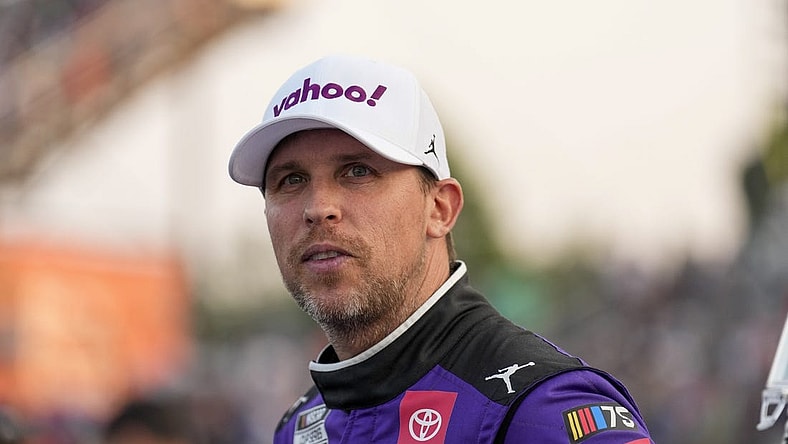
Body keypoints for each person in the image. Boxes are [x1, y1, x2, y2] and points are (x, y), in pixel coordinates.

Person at [228, 55, 654, 443]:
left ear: (439, 209)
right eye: (291, 180)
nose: (318, 208)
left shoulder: (541, 408)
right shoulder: (301, 426)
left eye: (357, 171)